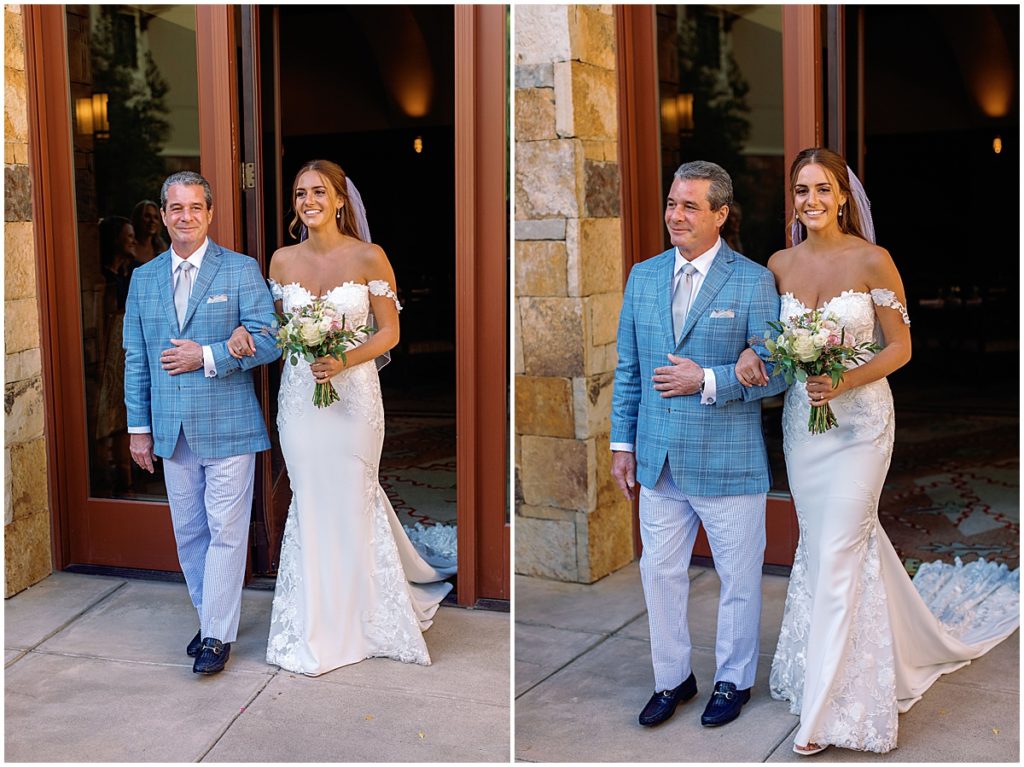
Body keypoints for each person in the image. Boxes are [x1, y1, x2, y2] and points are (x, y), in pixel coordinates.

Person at [735, 147, 1019, 755]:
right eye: (801, 190)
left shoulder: (873, 260)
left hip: (860, 425)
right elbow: (769, 344)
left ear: (843, 196)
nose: (811, 200)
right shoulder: (779, 264)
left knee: (840, 548)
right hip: (804, 429)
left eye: (822, 189)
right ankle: (850, 660)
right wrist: (760, 358)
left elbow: (900, 349)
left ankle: (823, 712)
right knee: (829, 547)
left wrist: (842, 380)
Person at [229, 159, 454, 676]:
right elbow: (278, 332)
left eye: (318, 192)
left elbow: (389, 333)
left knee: (353, 496)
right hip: (301, 399)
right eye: (300, 193)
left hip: (354, 397)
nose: (308, 201)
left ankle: (368, 617)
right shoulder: (282, 261)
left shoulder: (370, 256)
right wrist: (250, 340)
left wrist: (344, 359)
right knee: (311, 498)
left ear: (339, 201)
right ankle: (316, 619)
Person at [610, 160, 787, 729]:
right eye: (671, 203)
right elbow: (629, 369)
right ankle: (672, 679)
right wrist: (622, 443)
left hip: (728, 460)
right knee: (659, 575)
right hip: (658, 458)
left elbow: (778, 369)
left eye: (690, 206)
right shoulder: (643, 276)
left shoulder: (753, 279)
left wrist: (708, 380)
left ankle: (732, 681)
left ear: (720, 214)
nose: (675, 215)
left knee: (738, 579)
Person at [123, 171, 280, 675]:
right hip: (171, 428)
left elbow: (270, 338)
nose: (185, 216)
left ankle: (216, 635)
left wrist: (209, 355)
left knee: (227, 531)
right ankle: (210, 613)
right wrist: (137, 427)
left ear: (209, 213)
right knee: (190, 532)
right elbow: (136, 359)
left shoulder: (239, 270)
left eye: (195, 207)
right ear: (165, 214)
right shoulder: (143, 279)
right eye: (175, 208)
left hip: (229, 423)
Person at [95, 215, 139, 492]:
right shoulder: (101, 278)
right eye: (128, 235)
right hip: (109, 352)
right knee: (106, 414)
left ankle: (129, 478)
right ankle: (107, 477)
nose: (133, 240)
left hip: (127, 352)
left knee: (126, 411)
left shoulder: (134, 271)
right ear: (115, 240)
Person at [131, 199, 168, 265]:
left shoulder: (161, 248)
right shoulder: (130, 246)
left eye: (155, 217)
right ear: (138, 218)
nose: (152, 221)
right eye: (147, 216)